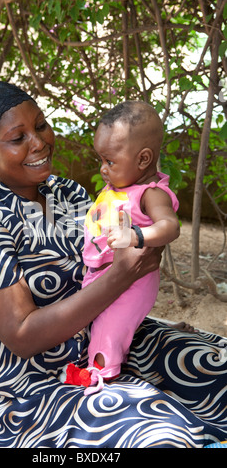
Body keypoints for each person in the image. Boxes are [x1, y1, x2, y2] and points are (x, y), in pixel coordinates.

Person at [0, 80, 226, 448]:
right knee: (158, 433)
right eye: (17, 137)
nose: (39, 143)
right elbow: (23, 337)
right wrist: (120, 276)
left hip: (109, 341)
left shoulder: (67, 193)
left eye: (40, 125)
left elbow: (110, 253)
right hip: (31, 385)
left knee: (214, 368)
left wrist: (143, 238)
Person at [61, 101, 180, 394]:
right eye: (101, 160)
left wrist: (136, 236)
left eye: (109, 161)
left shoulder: (150, 194)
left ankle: (102, 377)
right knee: (88, 319)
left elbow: (170, 227)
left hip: (133, 281)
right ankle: (95, 364)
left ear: (143, 160)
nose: (102, 169)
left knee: (109, 328)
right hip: (102, 274)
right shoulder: (119, 187)